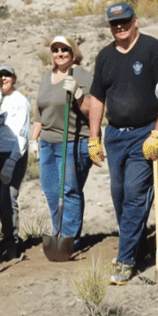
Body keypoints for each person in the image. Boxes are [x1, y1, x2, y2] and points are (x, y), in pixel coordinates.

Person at [86, 3, 158, 285]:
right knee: (119, 194)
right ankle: (134, 246)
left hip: (145, 132)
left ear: (135, 21)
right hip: (114, 135)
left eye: (125, 21)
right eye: (114, 23)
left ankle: (125, 260)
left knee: (136, 192)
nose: (120, 27)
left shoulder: (153, 49)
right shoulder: (104, 57)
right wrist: (93, 136)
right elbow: (97, 98)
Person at [32, 36, 93, 250]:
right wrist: (34, 139)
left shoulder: (82, 75)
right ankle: (58, 231)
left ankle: (70, 239)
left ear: (73, 51)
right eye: (55, 50)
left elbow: (92, 110)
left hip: (72, 141)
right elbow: (40, 112)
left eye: (64, 49)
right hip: (47, 143)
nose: (59, 53)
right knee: (51, 191)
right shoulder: (45, 77)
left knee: (68, 190)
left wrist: (77, 94)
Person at [0, 63, 31, 257]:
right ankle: (6, 234)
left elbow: (23, 133)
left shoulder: (21, 101)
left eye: (7, 75)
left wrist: (12, 161)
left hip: (14, 154)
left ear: (13, 78)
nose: (3, 78)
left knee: (9, 197)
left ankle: (12, 241)